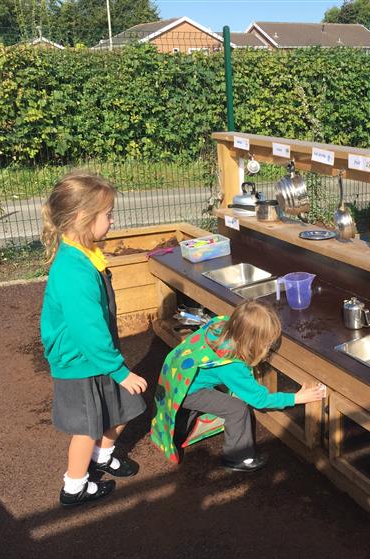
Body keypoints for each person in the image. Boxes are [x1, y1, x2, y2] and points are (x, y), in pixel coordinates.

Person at [40, 170, 147, 508]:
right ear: (83, 218)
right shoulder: (73, 269)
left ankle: (104, 455)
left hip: (97, 356)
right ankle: (74, 487)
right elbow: (87, 330)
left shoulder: (86, 254)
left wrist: (114, 367)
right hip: (80, 361)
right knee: (87, 427)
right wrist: (120, 370)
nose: (112, 220)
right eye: (108, 214)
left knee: (123, 407)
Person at [151, 299, 326, 472]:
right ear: (253, 343)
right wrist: (297, 397)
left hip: (177, 375)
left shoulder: (221, 324)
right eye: (267, 344)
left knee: (191, 405)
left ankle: (179, 430)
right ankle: (238, 457)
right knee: (236, 408)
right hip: (189, 389)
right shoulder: (230, 364)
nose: (268, 347)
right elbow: (260, 400)